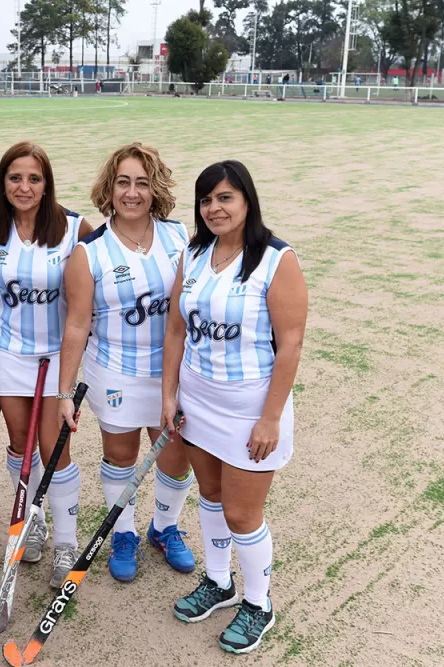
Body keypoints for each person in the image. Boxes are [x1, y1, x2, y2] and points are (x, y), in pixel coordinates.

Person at [160, 160, 307, 654]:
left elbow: (290, 344)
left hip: (249, 408)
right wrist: (169, 394)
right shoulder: (195, 253)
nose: (215, 208)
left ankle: (259, 605)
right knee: (211, 495)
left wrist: (269, 417)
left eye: (225, 197)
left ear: (247, 201)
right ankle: (219, 583)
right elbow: (177, 328)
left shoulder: (276, 259)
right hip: (198, 399)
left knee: (243, 514)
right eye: (207, 200)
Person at [57, 142, 195, 584]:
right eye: (123, 182)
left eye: (141, 183)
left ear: (154, 189)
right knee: (121, 456)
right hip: (115, 370)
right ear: (109, 188)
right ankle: (123, 532)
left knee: (175, 457)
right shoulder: (90, 251)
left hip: (172, 372)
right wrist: (65, 392)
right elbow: (77, 327)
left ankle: (165, 527)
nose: (132, 192)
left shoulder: (178, 236)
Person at [0, 141, 94, 588]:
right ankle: (34, 521)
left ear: (47, 183)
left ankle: (67, 541)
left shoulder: (74, 229)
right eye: (15, 178)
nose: (24, 186)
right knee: (19, 445)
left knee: (55, 451)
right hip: (9, 353)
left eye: (34, 178)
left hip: (57, 358)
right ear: (3, 183)